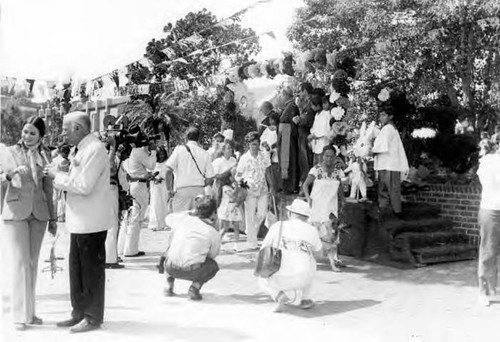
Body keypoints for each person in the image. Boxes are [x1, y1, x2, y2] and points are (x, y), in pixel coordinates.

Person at [45, 111, 112, 333]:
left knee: (90, 270)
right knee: (77, 270)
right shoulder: (82, 148)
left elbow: (83, 185)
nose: (63, 133)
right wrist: (63, 174)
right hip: (80, 220)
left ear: (78, 128)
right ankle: (79, 311)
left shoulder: (95, 149)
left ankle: (92, 316)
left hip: (91, 220)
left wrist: (57, 176)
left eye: (65, 128)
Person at [0, 116, 57, 331]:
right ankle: (18, 316)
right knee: (21, 263)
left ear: (41, 136)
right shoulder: (10, 152)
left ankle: (30, 313)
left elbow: (49, 188)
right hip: (15, 211)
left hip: (39, 214)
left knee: (32, 264)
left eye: (33, 133)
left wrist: (52, 218)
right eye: (25, 131)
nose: (27, 136)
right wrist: (10, 174)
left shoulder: (45, 154)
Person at [259, 199, 322, 313]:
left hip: (278, 277)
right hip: (304, 278)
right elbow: (320, 255)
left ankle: (278, 295)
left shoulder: (278, 225)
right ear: (307, 217)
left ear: (290, 214)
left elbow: (264, 249)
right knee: (311, 260)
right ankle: (306, 299)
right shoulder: (312, 230)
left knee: (260, 277)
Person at [162, 196, 221, 300]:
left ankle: (169, 285)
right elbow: (213, 254)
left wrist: (190, 212)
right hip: (194, 271)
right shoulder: (212, 232)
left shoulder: (183, 219)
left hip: (170, 268)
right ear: (214, 213)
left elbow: (168, 218)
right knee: (213, 266)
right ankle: (195, 287)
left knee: (169, 250)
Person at [302, 145, 346, 271]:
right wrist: (308, 198)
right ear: (322, 156)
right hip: (317, 206)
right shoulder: (316, 170)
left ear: (335, 157)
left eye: (331, 156)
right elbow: (305, 185)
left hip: (332, 208)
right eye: (326, 156)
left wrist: (343, 201)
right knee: (314, 233)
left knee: (332, 235)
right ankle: (309, 260)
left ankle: (333, 262)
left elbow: (340, 189)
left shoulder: (338, 172)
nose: (329, 158)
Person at [119, 140, 157, 257]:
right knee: (136, 218)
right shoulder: (137, 152)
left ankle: (122, 247)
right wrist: (153, 151)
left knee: (129, 218)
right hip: (139, 186)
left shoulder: (127, 157)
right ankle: (131, 250)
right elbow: (151, 165)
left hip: (134, 185)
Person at [165, 127, 215, 213]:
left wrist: (169, 189)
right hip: (199, 192)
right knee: (196, 223)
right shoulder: (205, 153)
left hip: (182, 192)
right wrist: (202, 184)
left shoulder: (179, 150)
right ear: (199, 138)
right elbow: (210, 177)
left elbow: (168, 170)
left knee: (181, 222)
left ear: (186, 137)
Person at [235, 131, 271, 250]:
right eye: (252, 144)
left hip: (262, 189)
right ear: (248, 145)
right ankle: (252, 241)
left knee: (262, 213)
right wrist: (242, 188)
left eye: (256, 144)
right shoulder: (244, 158)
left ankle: (251, 232)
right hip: (249, 190)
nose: (255, 147)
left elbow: (267, 171)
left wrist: (272, 187)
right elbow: (238, 175)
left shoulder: (263, 156)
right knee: (249, 216)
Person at [371, 109, 409, 217]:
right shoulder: (388, 128)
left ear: (390, 116)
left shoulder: (388, 128)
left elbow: (381, 145)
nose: (381, 117)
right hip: (385, 164)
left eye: (384, 115)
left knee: (391, 190)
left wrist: (371, 149)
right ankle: (385, 211)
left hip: (390, 165)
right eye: (380, 115)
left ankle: (396, 213)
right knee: (384, 190)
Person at [476, 144, 500, 306]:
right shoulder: (489, 161)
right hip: (492, 210)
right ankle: (484, 291)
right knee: (488, 251)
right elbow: (490, 184)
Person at [277, 87, 300, 194]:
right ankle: (285, 185)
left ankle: (290, 186)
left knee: (288, 161)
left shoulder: (291, 106)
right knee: (285, 162)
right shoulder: (288, 106)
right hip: (284, 136)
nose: (281, 98)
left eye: (281, 95)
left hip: (287, 136)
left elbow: (290, 123)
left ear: (285, 95)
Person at [293, 83, 315, 189]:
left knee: (306, 160)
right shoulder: (304, 102)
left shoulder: (311, 102)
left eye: (300, 91)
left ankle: (307, 185)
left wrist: (299, 120)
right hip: (301, 134)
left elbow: (309, 118)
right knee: (303, 161)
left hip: (306, 135)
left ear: (305, 90)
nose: (299, 93)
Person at [217, 175, 243, 251]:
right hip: (227, 209)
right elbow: (232, 196)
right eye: (231, 176)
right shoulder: (225, 187)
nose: (233, 178)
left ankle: (236, 245)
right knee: (225, 228)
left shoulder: (231, 187)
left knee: (236, 227)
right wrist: (237, 188)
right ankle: (218, 242)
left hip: (234, 208)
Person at [148, 146, 170, 231]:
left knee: (164, 203)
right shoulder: (153, 163)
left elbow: (169, 175)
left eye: (163, 154)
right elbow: (149, 174)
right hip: (155, 185)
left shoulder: (167, 163)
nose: (161, 156)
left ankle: (164, 223)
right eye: (159, 154)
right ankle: (154, 223)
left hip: (164, 185)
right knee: (155, 203)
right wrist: (154, 179)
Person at [260, 112, 282, 195]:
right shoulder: (267, 129)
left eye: (271, 119)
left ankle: (277, 188)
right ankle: (271, 188)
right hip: (268, 153)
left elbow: (280, 141)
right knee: (269, 171)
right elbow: (262, 139)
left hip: (276, 153)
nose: (269, 121)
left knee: (276, 171)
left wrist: (274, 145)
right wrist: (264, 144)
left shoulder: (279, 129)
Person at [212, 140, 237, 206]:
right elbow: (215, 176)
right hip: (220, 187)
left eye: (231, 148)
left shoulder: (233, 160)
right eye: (228, 148)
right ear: (223, 151)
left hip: (233, 186)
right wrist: (228, 172)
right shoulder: (217, 161)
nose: (231, 149)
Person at [309, 95, 332, 165]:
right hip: (316, 146)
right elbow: (314, 128)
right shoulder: (317, 115)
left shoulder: (326, 114)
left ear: (318, 105)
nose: (311, 107)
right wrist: (312, 135)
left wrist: (315, 136)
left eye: (312, 105)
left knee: (322, 166)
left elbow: (326, 130)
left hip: (323, 144)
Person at [52, 142, 70, 222]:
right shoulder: (64, 161)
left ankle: (54, 215)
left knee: (55, 198)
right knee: (61, 199)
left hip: (54, 180)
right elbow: (66, 173)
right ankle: (60, 216)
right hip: (60, 181)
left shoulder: (54, 159)